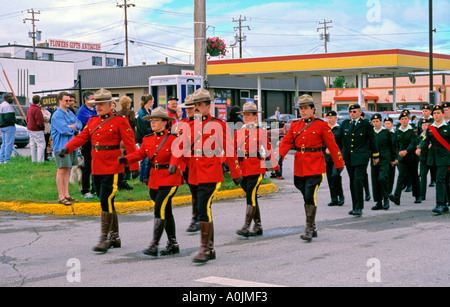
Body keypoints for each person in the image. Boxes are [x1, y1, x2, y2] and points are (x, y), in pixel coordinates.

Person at [58, 88, 140, 253]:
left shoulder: (120, 120)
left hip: (113, 167)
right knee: (107, 200)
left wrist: (134, 166)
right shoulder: (93, 121)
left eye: (102, 104)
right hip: (97, 166)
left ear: (111, 104)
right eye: (96, 104)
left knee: (106, 200)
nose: (98, 107)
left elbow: (130, 143)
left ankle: (104, 239)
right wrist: (67, 148)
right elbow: (82, 137)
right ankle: (115, 237)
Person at [171, 88, 243, 263]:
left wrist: (236, 173)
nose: (196, 108)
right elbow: (180, 145)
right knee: (202, 207)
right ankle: (209, 248)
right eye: (194, 105)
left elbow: (230, 149)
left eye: (199, 105)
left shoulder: (219, 124)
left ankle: (204, 248)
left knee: (203, 208)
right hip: (194, 171)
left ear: (207, 106)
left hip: (211, 171)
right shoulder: (188, 125)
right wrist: (174, 163)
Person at [278, 95, 344, 241]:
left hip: (316, 166)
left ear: (312, 109)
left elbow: (332, 145)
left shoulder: (321, 125)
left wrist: (339, 163)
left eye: (306, 108)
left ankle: (308, 228)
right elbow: (286, 142)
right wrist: (279, 157)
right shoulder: (295, 126)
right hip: (300, 166)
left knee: (309, 194)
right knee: (304, 192)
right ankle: (312, 226)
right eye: (301, 108)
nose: (303, 111)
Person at [119, 107, 183, 256]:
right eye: (151, 120)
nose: (152, 123)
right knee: (166, 211)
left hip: (170, 178)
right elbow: (140, 153)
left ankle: (154, 244)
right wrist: (126, 160)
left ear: (165, 123)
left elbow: (177, 153)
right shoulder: (148, 139)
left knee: (159, 209)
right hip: (155, 179)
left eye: (156, 120)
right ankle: (173, 243)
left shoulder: (174, 138)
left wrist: (174, 164)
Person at [234, 102, 279, 237]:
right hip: (243, 169)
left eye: (248, 115)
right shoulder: (239, 132)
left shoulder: (260, 131)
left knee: (250, 195)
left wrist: (275, 166)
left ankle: (246, 226)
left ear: (255, 116)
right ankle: (258, 225)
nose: (246, 117)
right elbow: (232, 151)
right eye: (244, 115)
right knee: (252, 196)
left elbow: (268, 148)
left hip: (256, 168)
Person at [336, 104, 379, 217]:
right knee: (352, 181)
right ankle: (355, 206)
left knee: (358, 180)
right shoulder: (345, 123)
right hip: (349, 157)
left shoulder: (366, 124)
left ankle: (359, 207)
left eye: (354, 111)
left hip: (361, 157)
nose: (352, 114)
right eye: (350, 112)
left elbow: (372, 140)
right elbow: (338, 139)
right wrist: (336, 151)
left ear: (360, 113)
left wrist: (375, 155)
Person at [417, 105, 450, 215]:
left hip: (445, 157)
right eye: (434, 113)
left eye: (438, 113)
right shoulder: (430, 128)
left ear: (443, 114)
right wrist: (420, 148)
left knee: (439, 179)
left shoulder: (448, 127)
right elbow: (425, 141)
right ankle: (445, 203)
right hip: (434, 158)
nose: (436, 115)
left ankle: (439, 204)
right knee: (443, 180)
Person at [51, 92, 83, 206]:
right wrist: (73, 128)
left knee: (68, 169)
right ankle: (61, 196)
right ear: (60, 101)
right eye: (66, 101)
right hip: (61, 147)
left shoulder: (70, 112)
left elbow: (79, 124)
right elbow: (63, 130)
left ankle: (66, 194)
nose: (68, 103)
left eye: (70, 100)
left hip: (71, 145)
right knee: (61, 170)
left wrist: (73, 126)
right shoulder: (56, 115)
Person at [178, 95, 200, 233]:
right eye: (186, 108)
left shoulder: (202, 123)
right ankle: (197, 217)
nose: (188, 111)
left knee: (199, 191)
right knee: (193, 191)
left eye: (190, 108)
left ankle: (198, 218)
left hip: (198, 161)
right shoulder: (182, 123)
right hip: (186, 162)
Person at [389, 111, 421, 206]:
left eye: (405, 119)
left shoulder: (413, 130)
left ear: (408, 119)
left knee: (414, 176)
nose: (404, 121)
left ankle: (417, 196)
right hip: (402, 158)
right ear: (400, 120)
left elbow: (413, 143)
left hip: (411, 157)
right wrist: (395, 156)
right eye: (402, 119)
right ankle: (397, 197)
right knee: (401, 176)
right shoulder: (397, 130)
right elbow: (395, 144)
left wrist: (406, 151)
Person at [370, 114, 396, 210]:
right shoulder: (371, 133)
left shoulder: (386, 132)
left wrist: (393, 159)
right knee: (375, 181)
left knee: (382, 178)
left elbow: (391, 146)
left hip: (385, 159)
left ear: (381, 122)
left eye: (377, 121)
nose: (375, 123)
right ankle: (378, 202)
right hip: (374, 160)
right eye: (373, 121)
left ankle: (386, 199)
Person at [76, 91, 97, 199]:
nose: (94, 101)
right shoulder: (82, 111)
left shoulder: (94, 109)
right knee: (87, 166)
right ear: (86, 100)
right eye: (92, 99)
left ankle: (95, 189)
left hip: (95, 141)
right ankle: (85, 190)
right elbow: (93, 123)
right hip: (87, 142)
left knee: (96, 166)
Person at [324, 111, 345, 207]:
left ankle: (341, 196)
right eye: (328, 118)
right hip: (327, 158)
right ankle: (333, 198)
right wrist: (325, 150)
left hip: (337, 157)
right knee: (329, 178)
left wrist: (342, 156)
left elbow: (343, 144)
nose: (329, 119)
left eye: (331, 117)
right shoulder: (325, 129)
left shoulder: (339, 129)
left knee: (335, 175)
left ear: (335, 118)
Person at [118, 95, 136, 191]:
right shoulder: (130, 112)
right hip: (128, 138)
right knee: (129, 158)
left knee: (121, 158)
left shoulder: (119, 112)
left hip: (120, 139)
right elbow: (133, 122)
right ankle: (126, 179)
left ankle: (121, 179)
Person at [135, 95, 154, 184]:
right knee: (144, 159)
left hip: (148, 137)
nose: (153, 103)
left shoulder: (148, 111)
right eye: (152, 101)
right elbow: (143, 127)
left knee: (147, 159)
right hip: (143, 138)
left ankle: (147, 177)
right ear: (149, 101)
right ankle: (143, 178)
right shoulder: (141, 113)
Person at [417, 105, 436, 187]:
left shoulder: (433, 120)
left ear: (430, 112)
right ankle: (422, 175)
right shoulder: (420, 120)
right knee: (423, 161)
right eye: (423, 111)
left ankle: (433, 179)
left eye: (426, 111)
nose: (424, 112)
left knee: (432, 164)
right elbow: (418, 131)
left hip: (431, 144)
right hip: (423, 143)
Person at [27, 95, 46, 163]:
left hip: (30, 128)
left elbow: (27, 119)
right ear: (39, 101)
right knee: (41, 145)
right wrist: (43, 127)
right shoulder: (37, 109)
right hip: (37, 129)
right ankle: (40, 161)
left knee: (33, 145)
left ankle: (34, 160)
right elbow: (40, 121)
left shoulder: (29, 108)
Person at [417, 119, 431, 202]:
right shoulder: (420, 136)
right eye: (423, 125)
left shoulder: (432, 134)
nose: (424, 127)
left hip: (432, 158)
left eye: (426, 125)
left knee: (439, 178)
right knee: (423, 176)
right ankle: (422, 195)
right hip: (423, 158)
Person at [0, 93, 16, 164]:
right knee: (9, 143)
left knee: (4, 144)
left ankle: (1, 159)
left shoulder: (1, 105)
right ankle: (7, 159)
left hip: (2, 127)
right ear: (7, 98)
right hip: (9, 127)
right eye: (11, 97)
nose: (12, 98)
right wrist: (13, 121)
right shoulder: (7, 106)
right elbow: (9, 118)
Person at [384, 117, 397, 195]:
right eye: (385, 124)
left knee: (391, 175)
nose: (387, 125)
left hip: (392, 158)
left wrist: (395, 158)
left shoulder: (395, 134)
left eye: (388, 123)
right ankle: (384, 192)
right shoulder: (383, 133)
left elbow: (396, 147)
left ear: (392, 124)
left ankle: (389, 192)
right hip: (384, 157)